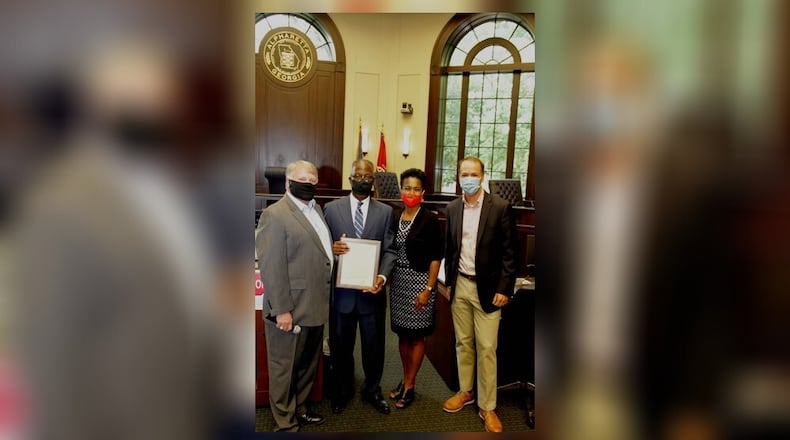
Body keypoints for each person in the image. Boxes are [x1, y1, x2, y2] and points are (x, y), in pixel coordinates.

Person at [255, 160, 333, 432]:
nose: (309, 184)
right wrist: (282, 310)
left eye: (313, 180)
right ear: (288, 183)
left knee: (307, 366)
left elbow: (316, 250)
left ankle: (300, 409)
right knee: (284, 368)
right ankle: (285, 424)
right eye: (303, 180)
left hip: (314, 305)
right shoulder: (275, 215)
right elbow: (272, 266)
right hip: (290, 308)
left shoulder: (317, 210)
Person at [442, 156, 517, 433]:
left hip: (489, 289)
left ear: (483, 176)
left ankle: (488, 406)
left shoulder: (500, 207)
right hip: (460, 285)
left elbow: (511, 253)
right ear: (458, 177)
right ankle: (466, 391)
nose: (469, 178)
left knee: (486, 348)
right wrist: (449, 282)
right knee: (463, 343)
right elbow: (450, 250)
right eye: (464, 174)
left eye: (474, 173)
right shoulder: (451, 208)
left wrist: (504, 288)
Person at [324, 159, 397, 415]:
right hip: (342, 295)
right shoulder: (331, 210)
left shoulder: (386, 212)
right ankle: (342, 390)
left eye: (368, 176)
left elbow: (390, 250)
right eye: (359, 175)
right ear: (350, 178)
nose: (363, 179)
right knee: (341, 347)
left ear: (373, 180)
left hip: (372, 295)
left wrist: (383, 277)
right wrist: (331, 249)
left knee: (374, 348)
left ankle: (372, 390)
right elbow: (322, 247)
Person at [386, 168, 442, 409]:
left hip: (421, 283)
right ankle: (405, 377)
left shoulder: (429, 219)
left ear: (423, 192)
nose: (411, 192)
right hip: (399, 282)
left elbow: (435, 258)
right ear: (401, 190)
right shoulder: (395, 215)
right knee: (402, 334)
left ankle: (410, 384)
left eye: (416, 189)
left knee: (417, 336)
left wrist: (428, 289)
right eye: (407, 188)